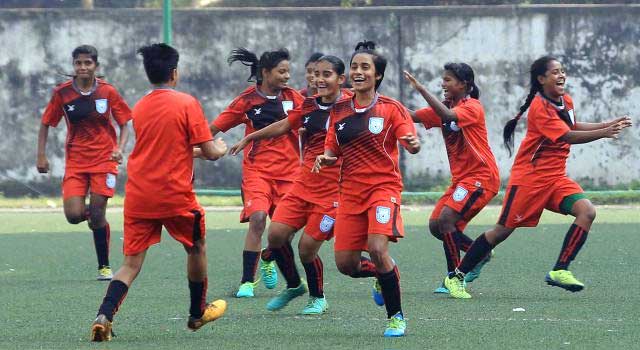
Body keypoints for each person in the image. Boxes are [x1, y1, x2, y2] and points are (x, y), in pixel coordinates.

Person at [443, 56, 633, 299]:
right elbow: (566, 136)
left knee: (587, 212)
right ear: (541, 79)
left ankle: (560, 270)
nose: (561, 75)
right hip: (529, 180)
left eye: (563, 71)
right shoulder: (539, 108)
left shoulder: (566, 101)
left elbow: (572, 126)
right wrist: (603, 133)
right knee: (501, 231)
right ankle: (456, 276)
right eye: (555, 72)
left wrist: (605, 124)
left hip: (555, 179)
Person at [90, 43, 228, 341]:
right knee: (196, 247)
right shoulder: (187, 103)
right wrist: (219, 147)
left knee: (130, 263)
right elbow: (210, 150)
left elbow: (169, 147)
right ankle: (196, 313)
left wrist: (197, 151)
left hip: (140, 195)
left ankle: (104, 315)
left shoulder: (140, 106)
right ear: (175, 73)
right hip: (174, 194)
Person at [313, 41, 420, 337]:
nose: (358, 72)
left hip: (383, 189)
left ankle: (396, 317)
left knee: (376, 248)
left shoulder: (391, 109)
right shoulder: (339, 111)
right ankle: (383, 273)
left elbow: (410, 140)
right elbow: (333, 148)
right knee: (346, 264)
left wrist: (413, 143)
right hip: (350, 193)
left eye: (365, 67)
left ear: (378, 75)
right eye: (355, 66)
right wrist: (326, 157)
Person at [229, 55, 351, 314]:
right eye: (315, 74)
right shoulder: (308, 105)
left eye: (326, 74)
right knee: (275, 236)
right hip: (302, 187)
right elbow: (284, 125)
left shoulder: (352, 106)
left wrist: (332, 158)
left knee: (307, 249)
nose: (319, 79)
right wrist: (250, 136)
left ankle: (318, 297)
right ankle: (295, 285)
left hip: (332, 194)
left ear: (340, 80)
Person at [211, 47, 305, 298]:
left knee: (286, 231)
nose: (287, 76)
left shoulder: (295, 99)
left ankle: (268, 256)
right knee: (258, 219)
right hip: (257, 172)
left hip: (291, 175)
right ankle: (246, 282)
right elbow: (214, 127)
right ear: (265, 72)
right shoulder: (247, 100)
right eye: (281, 71)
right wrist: (195, 147)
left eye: (288, 71)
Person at [37, 45, 131, 280]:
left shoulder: (108, 92)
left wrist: (119, 148)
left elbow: (124, 123)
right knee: (73, 215)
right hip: (76, 162)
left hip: (105, 161)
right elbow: (46, 122)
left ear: (95, 66)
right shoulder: (63, 93)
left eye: (88, 63)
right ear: (74, 66)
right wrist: (41, 155)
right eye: (78, 63)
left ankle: (104, 266)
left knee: (98, 212)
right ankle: (95, 218)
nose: (83, 67)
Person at [404, 63, 499, 293]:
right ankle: (480, 252)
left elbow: (447, 115)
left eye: (448, 80)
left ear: (464, 84)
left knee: (447, 221)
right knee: (437, 226)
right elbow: (413, 116)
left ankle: (454, 278)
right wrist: (377, 104)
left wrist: (420, 88)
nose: (443, 84)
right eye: (443, 80)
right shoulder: (444, 108)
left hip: (481, 177)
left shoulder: (472, 107)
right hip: (461, 181)